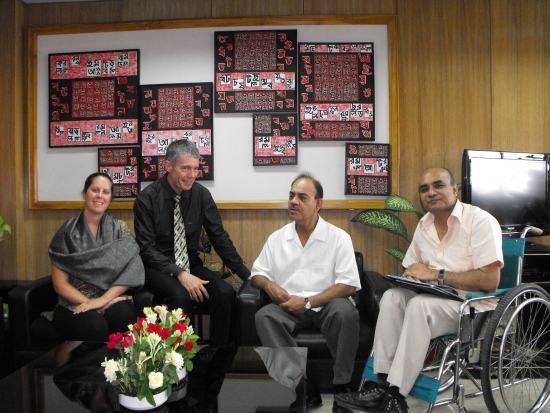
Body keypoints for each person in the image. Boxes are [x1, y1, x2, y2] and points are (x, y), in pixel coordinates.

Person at [335, 167, 503, 413]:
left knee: (419, 305)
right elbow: (413, 268)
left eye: (438, 186)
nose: (431, 193)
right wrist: (410, 276)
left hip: (471, 309)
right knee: (392, 297)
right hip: (432, 301)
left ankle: (396, 393)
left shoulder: (480, 221)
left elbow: (490, 281)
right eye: (424, 189)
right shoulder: (424, 226)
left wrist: (436, 275)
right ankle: (381, 383)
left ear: (454, 190)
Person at [133, 139, 250, 413]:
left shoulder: (200, 195)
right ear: (168, 166)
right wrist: (180, 274)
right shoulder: (146, 199)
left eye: (196, 169)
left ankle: (216, 362)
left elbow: (219, 237)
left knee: (225, 294)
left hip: (190, 263)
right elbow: (146, 250)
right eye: (185, 168)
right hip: (157, 268)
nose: (191, 175)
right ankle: (178, 365)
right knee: (179, 294)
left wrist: (247, 274)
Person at [251, 172, 361, 412]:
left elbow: (349, 285)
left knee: (346, 312)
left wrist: (309, 301)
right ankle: (302, 385)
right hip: (288, 307)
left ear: (318, 203)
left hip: (326, 306)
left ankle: (342, 387)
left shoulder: (338, 238)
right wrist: (269, 285)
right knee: (264, 316)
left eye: (302, 197)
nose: (294, 201)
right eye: (291, 196)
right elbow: (257, 274)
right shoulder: (277, 238)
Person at [48, 172, 145, 342]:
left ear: (110, 197)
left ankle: (121, 368)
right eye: (95, 190)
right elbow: (59, 284)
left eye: (106, 192)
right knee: (94, 325)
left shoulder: (120, 230)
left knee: (124, 314)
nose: (100, 196)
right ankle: (90, 369)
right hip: (74, 303)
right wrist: (90, 303)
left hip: (109, 298)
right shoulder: (67, 232)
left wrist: (102, 301)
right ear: (84, 193)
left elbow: (131, 272)